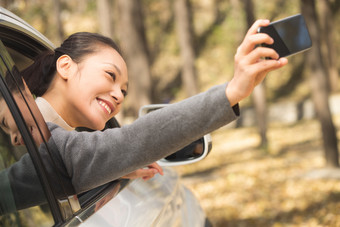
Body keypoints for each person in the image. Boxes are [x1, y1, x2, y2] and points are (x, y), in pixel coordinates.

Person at [9, 19, 287, 194]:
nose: (118, 95)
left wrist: (115, 167)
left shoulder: (28, 130)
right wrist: (232, 91)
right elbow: (133, 140)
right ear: (66, 66)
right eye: (110, 75)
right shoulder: (48, 143)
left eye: (124, 91)